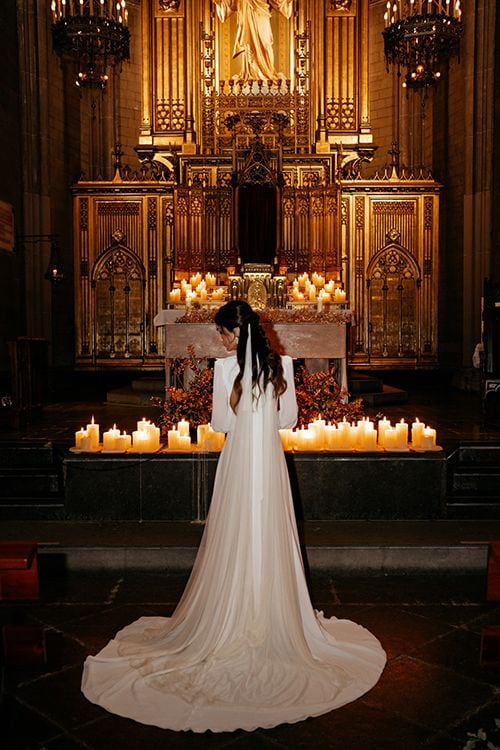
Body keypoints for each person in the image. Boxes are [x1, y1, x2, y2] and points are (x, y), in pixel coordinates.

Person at [81, 300, 386, 733]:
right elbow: (289, 419)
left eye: (223, 334)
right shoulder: (282, 363)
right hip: (269, 463)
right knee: (268, 531)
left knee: (235, 529)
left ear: (234, 332)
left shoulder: (227, 371)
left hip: (240, 461)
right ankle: (270, 610)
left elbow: (222, 423)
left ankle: (235, 611)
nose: (221, 340)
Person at [214, 0, 293, 81]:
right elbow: (232, 5)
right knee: (249, 46)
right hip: (246, 16)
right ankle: (251, 76)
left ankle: (267, 75)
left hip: (262, 14)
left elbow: (278, 3)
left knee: (266, 45)